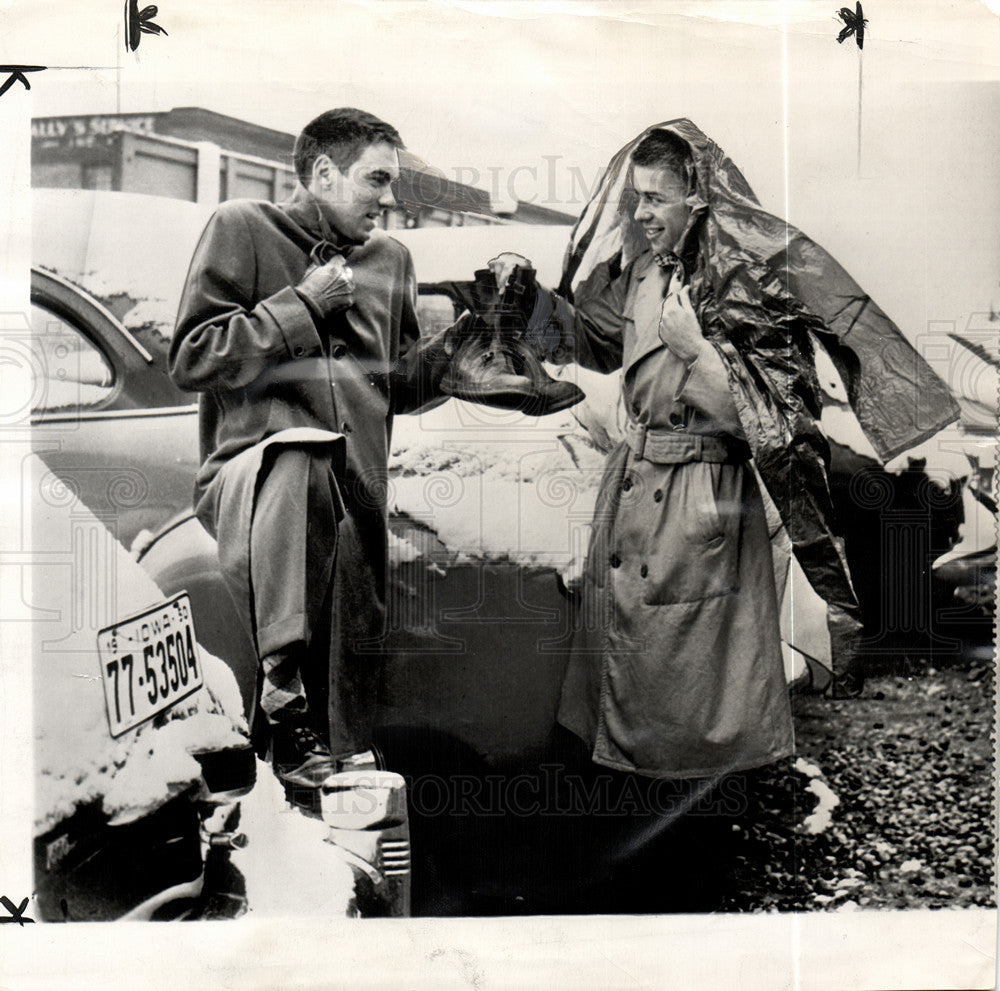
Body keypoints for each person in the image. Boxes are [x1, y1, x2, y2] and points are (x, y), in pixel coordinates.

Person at [489, 119, 957, 783]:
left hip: (700, 502)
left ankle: (696, 821)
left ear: (697, 199)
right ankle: (629, 807)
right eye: (635, 197)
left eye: (655, 199)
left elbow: (779, 420)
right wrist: (527, 296)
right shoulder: (644, 270)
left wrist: (697, 351)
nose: (639, 211)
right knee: (625, 684)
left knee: (687, 700)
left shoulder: (747, 282)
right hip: (633, 493)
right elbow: (591, 345)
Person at [169, 108, 452, 808]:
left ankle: (334, 874)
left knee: (341, 761)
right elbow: (193, 356)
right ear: (323, 171)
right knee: (298, 454)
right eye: (375, 179)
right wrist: (301, 305)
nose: (386, 198)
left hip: (352, 506)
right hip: (255, 484)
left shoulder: (393, 262)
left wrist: (474, 345)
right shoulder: (242, 227)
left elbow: (402, 387)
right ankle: (280, 692)